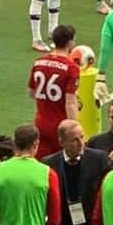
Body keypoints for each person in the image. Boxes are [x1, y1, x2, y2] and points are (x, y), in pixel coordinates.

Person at [44, 119, 110, 225]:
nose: (81, 143)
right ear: (61, 142)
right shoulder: (50, 163)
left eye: (82, 137)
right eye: (74, 139)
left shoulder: (99, 159)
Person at [29, 24, 81, 159]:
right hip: (61, 127)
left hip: (40, 122)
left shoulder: (38, 62)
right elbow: (70, 103)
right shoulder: (71, 68)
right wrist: (75, 129)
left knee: (41, 163)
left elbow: (31, 93)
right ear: (70, 43)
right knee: (64, 164)